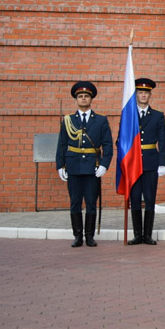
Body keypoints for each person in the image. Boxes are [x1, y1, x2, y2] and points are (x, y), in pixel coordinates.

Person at [56, 82, 113, 247]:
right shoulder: (68, 120)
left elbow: (108, 145)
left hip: (92, 167)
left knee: (90, 202)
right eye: (80, 96)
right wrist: (60, 165)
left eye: (86, 96)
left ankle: (89, 236)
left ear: (91, 99)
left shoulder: (101, 120)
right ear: (76, 99)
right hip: (73, 166)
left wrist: (104, 164)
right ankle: (77, 236)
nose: (83, 99)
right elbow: (62, 144)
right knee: (74, 202)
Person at [126, 78, 165, 245]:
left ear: (150, 95)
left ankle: (147, 235)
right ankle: (137, 234)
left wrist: (162, 163)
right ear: (136, 94)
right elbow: (121, 139)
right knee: (135, 198)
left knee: (150, 198)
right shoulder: (129, 115)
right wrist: (124, 156)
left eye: (146, 93)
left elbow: (162, 140)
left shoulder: (157, 116)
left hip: (151, 161)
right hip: (133, 162)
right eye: (140, 92)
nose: (143, 95)